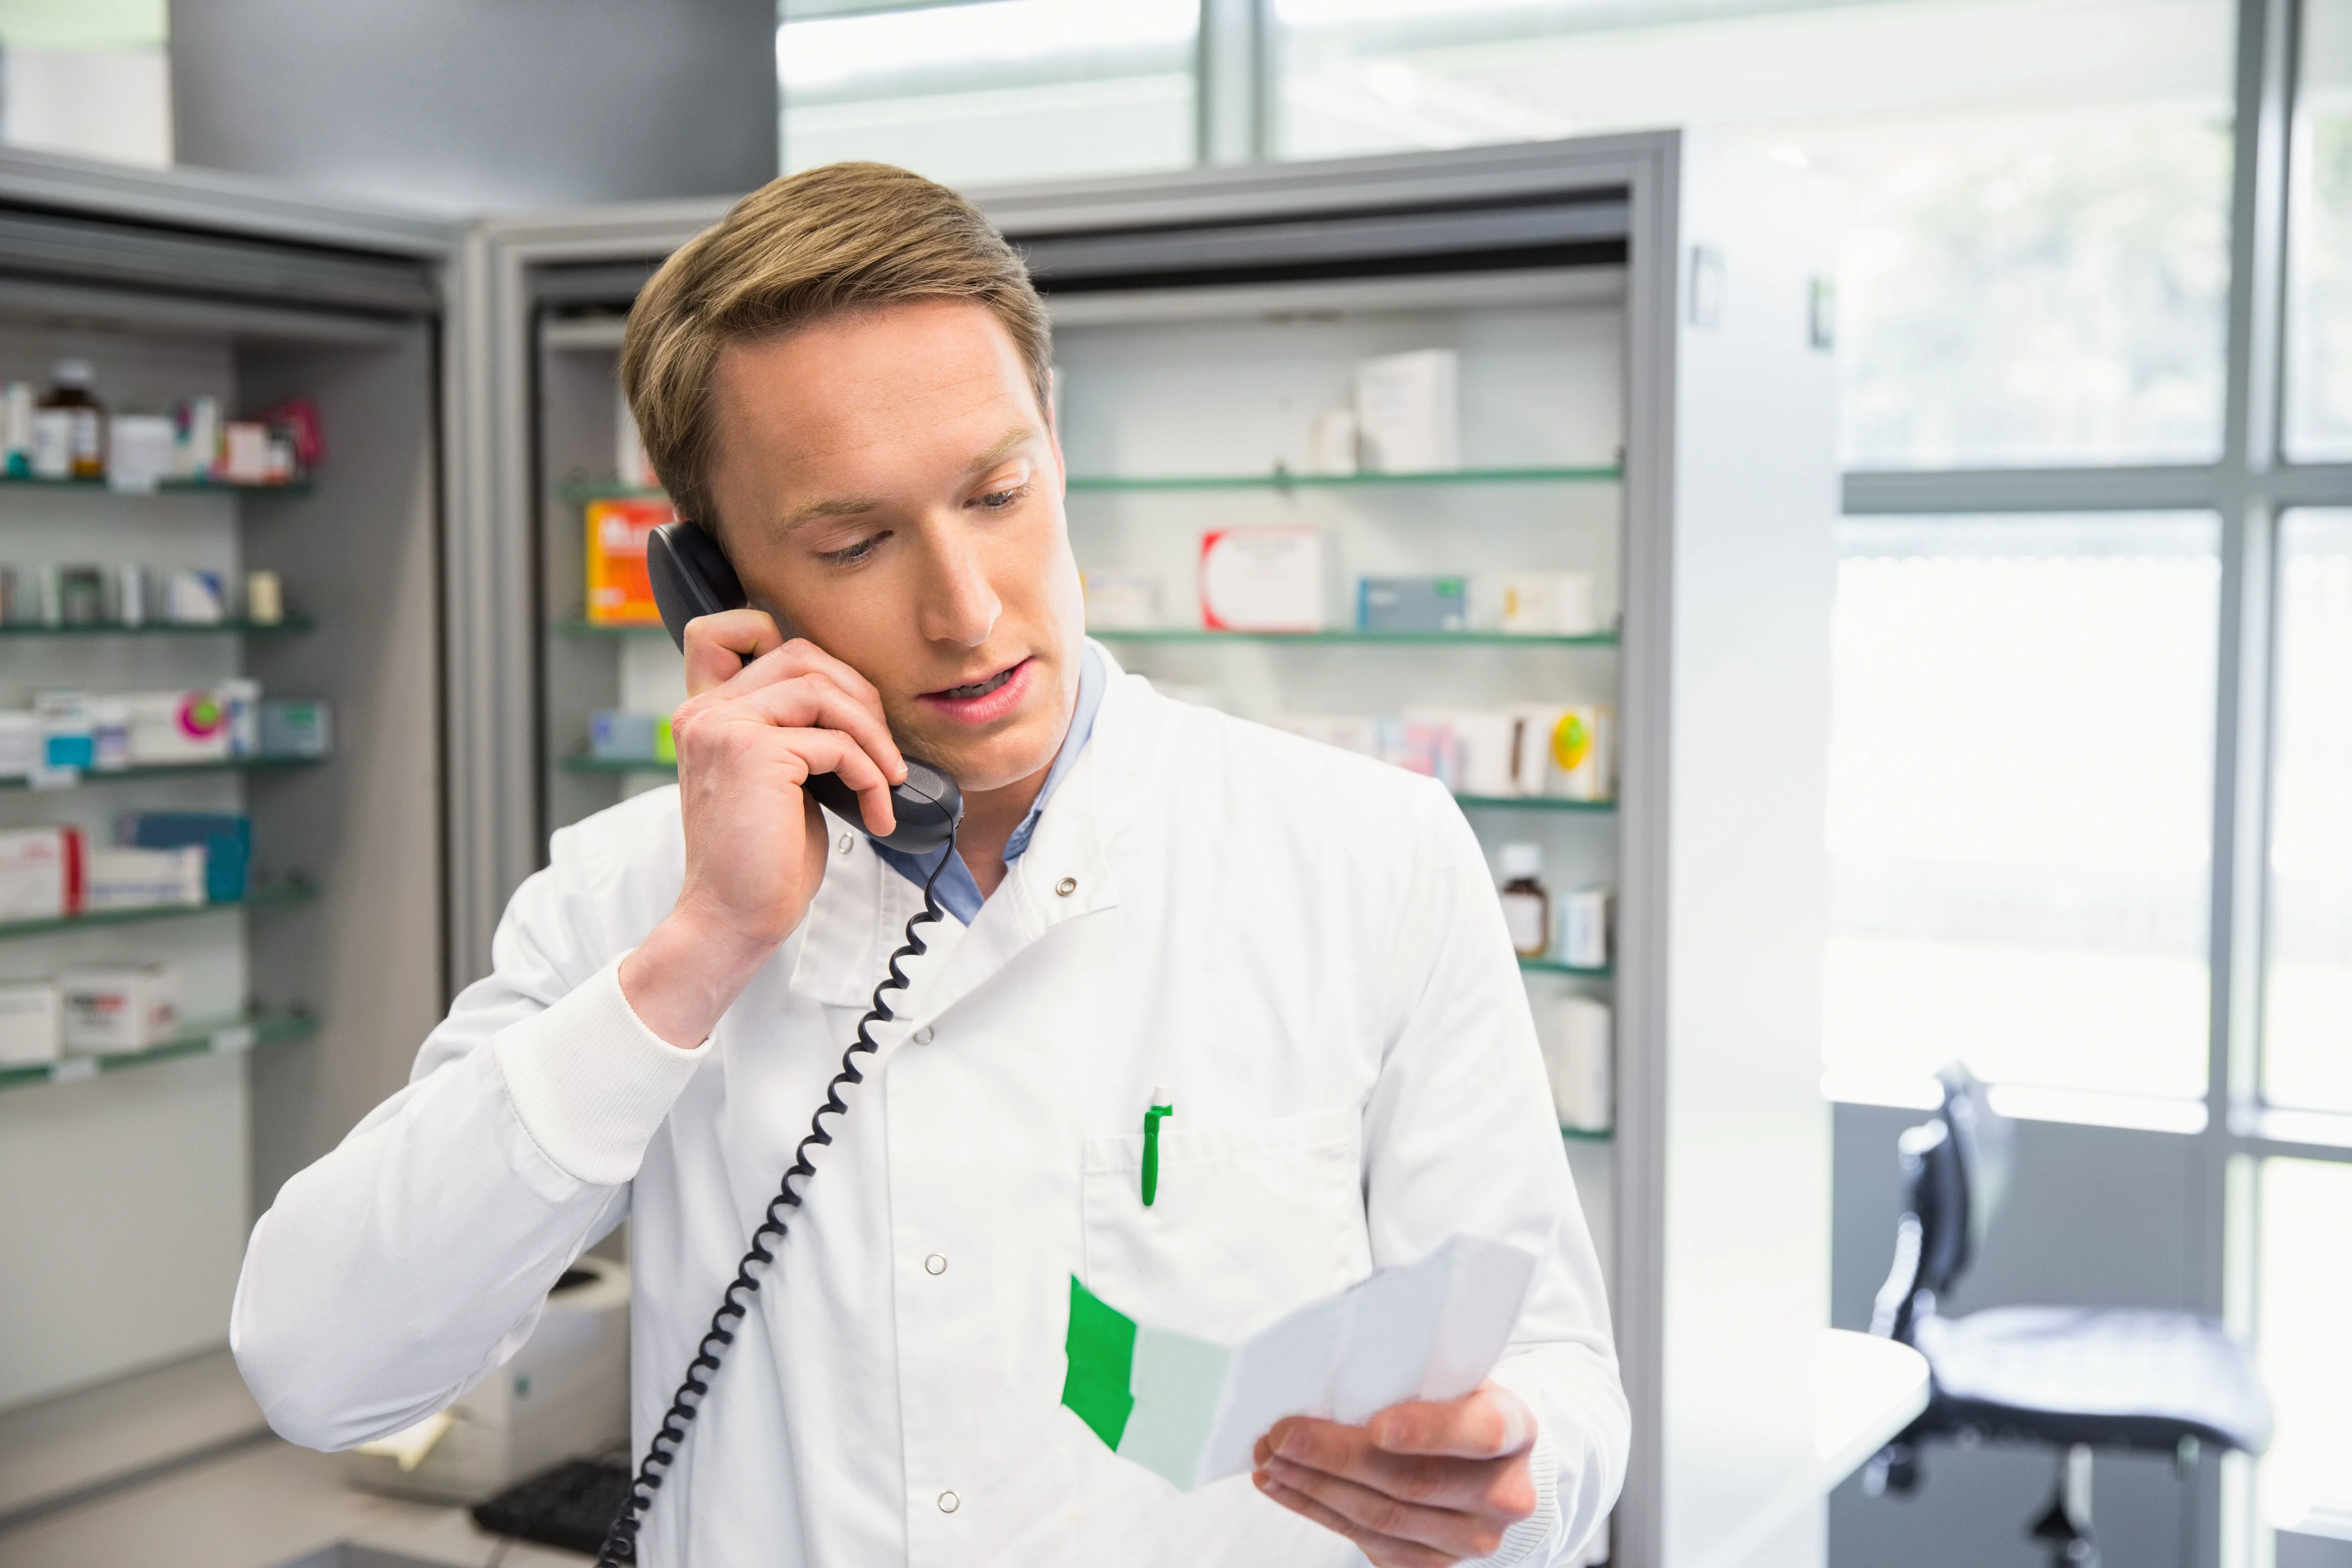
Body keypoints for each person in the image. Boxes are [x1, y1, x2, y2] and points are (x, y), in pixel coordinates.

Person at [232, 161, 1627, 1568]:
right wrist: (701, 952)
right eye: (854, 541)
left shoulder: (1364, 856)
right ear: (716, 588)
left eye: (999, 494)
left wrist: (1512, 1478)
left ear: (1055, 450)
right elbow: (320, 1365)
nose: (967, 612)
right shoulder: (627, 899)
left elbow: (1557, 1374)